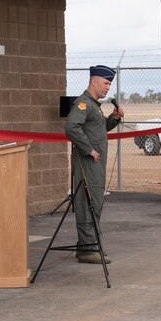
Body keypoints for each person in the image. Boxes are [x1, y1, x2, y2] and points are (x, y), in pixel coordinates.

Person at [65, 65, 124, 263]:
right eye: (106, 83)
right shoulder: (83, 104)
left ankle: (90, 244)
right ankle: (88, 248)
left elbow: (98, 130)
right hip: (87, 163)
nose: (108, 87)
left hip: (95, 164)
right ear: (94, 81)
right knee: (88, 202)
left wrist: (114, 119)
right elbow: (72, 127)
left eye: (110, 84)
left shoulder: (94, 106)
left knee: (95, 202)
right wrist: (88, 149)